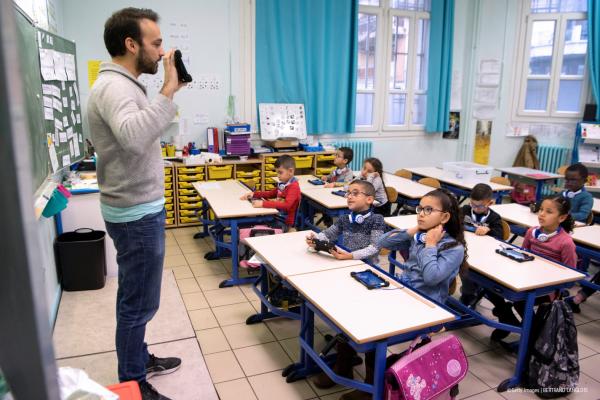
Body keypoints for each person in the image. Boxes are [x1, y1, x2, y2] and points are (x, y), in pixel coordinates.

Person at [87, 8, 185, 400]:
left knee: (138, 296)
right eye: (156, 43)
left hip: (138, 208)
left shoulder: (124, 84)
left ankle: (138, 359)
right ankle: (133, 381)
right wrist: (168, 90)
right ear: (131, 44)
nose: (163, 52)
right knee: (137, 304)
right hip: (135, 213)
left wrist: (162, 92)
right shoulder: (115, 88)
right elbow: (132, 136)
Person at [314, 189, 466, 400]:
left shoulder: (453, 247)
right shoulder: (418, 236)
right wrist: (415, 229)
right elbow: (383, 243)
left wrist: (430, 246)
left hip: (425, 308)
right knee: (351, 308)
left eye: (428, 210)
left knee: (374, 330)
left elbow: (432, 277)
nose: (421, 213)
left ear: (445, 217)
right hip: (403, 294)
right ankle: (343, 366)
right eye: (420, 208)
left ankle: (370, 389)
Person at [493, 196, 577, 340]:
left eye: (549, 211)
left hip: (547, 288)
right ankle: (507, 319)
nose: (542, 214)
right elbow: (522, 255)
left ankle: (532, 337)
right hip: (526, 278)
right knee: (491, 287)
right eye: (541, 209)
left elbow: (571, 275)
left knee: (521, 302)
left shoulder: (566, 242)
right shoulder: (532, 232)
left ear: (562, 218)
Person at [305, 180, 386, 265]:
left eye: (355, 193)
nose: (350, 197)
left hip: (369, 266)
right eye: (348, 193)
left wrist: (351, 256)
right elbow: (327, 234)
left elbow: (375, 248)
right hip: (347, 262)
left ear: (369, 199)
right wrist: (316, 239)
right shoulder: (345, 219)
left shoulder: (377, 219)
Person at [459, 183, 505, 308]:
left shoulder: (494, 218)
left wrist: (488, 230)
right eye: (473, 204)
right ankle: (468, 292)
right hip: (466, 247)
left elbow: (500, 237)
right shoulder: (465, 210)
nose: (475, 208)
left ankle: (469, 296)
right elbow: (455, 222)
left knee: (468, 270)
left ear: (490, 203)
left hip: (484, 253)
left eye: (480, 206)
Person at [240, 155, 301, 229]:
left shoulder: (293, 187)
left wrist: (263, 204)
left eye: (280, 173)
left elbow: (286, 205)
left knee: (254, 225)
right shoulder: (283, 184)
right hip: (276, 215)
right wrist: (254, 194)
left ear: (290, 171)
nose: (278, 176)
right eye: (277, 173)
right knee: (250, 222)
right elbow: (270, 194)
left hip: (284, 222)